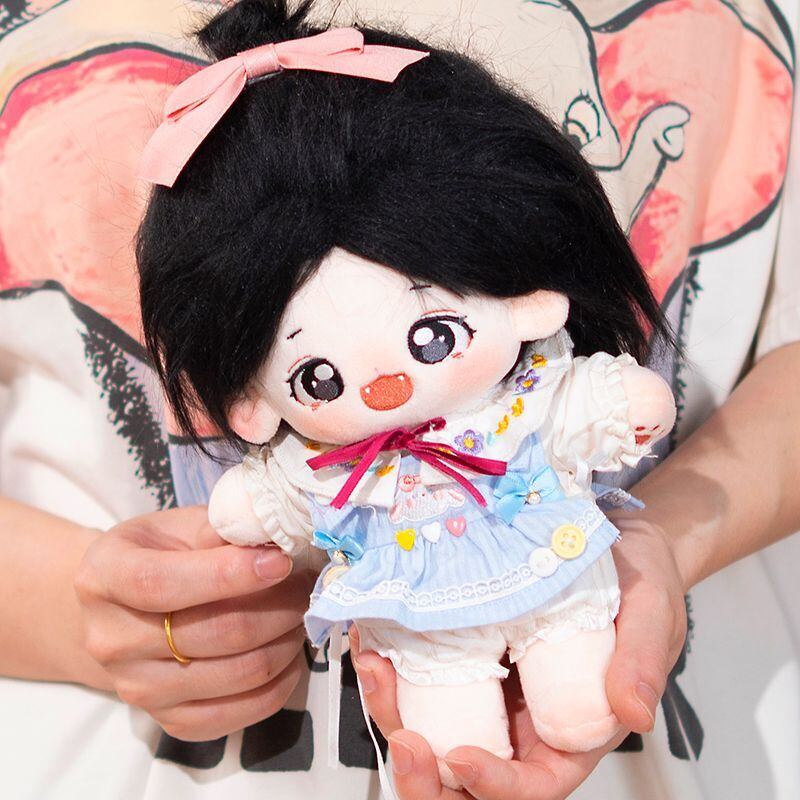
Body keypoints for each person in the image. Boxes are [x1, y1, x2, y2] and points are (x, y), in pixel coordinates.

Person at [0, 2, 797, 800]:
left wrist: (660, 539)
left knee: (573, 683)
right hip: (145, 761)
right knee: (452, 700)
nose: (387, 388)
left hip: (687, 736)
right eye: (317, 379)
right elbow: (263, 504)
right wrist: (78, 614)